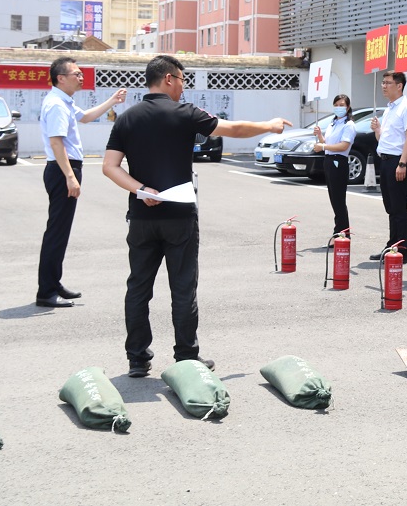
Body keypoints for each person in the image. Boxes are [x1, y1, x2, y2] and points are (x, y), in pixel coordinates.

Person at [102, 55, 290, 377]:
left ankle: (137, 359)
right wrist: (269, 126)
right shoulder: (186, 113)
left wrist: (141, 189)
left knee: (138, 288)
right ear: (168, 78)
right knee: (183, 288)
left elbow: (110, 167)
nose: (183, 87)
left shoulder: (127, 118)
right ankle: (187, 357)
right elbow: (233, 128)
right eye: (182, 80)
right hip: (179, 217)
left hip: (142, 218)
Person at [35, 56, 127, 308]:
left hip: (64, 169)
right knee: (56, 232)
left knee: (60, 231)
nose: (81, 77)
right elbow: (56, 143)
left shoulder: (64, 101)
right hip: (62, 170)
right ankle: (46, 291)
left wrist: (112, 100)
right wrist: (70, 176)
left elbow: (85, 117)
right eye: (76, 74)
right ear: (60, 78)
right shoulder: (56, 104)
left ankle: (53, 283)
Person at [370, 71, 407, 262]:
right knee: (390, 207)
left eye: (388, 83)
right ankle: (392, 245)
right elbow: (385, 139)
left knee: (399, 207)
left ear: (399, 86)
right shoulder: (389, 109)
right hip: (386, 160)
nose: (384, 86)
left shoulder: (406, 108)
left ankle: (402, 250)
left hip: (398, 161)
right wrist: (377, 130)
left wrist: (402, 163)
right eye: (383, 82)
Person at [314, 94, 357, 236]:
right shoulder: (333, 123)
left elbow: (343, 146)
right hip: (329, 160)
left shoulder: (349, 125)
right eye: (336, 105)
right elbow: (328, 142)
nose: (339, 108)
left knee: (338, 200)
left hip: (338, 161)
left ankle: (342, 232)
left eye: (342, 105)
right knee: (333, 199)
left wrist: (323, 146)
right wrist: (320, 136)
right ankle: (340, 231)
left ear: (348, 107)